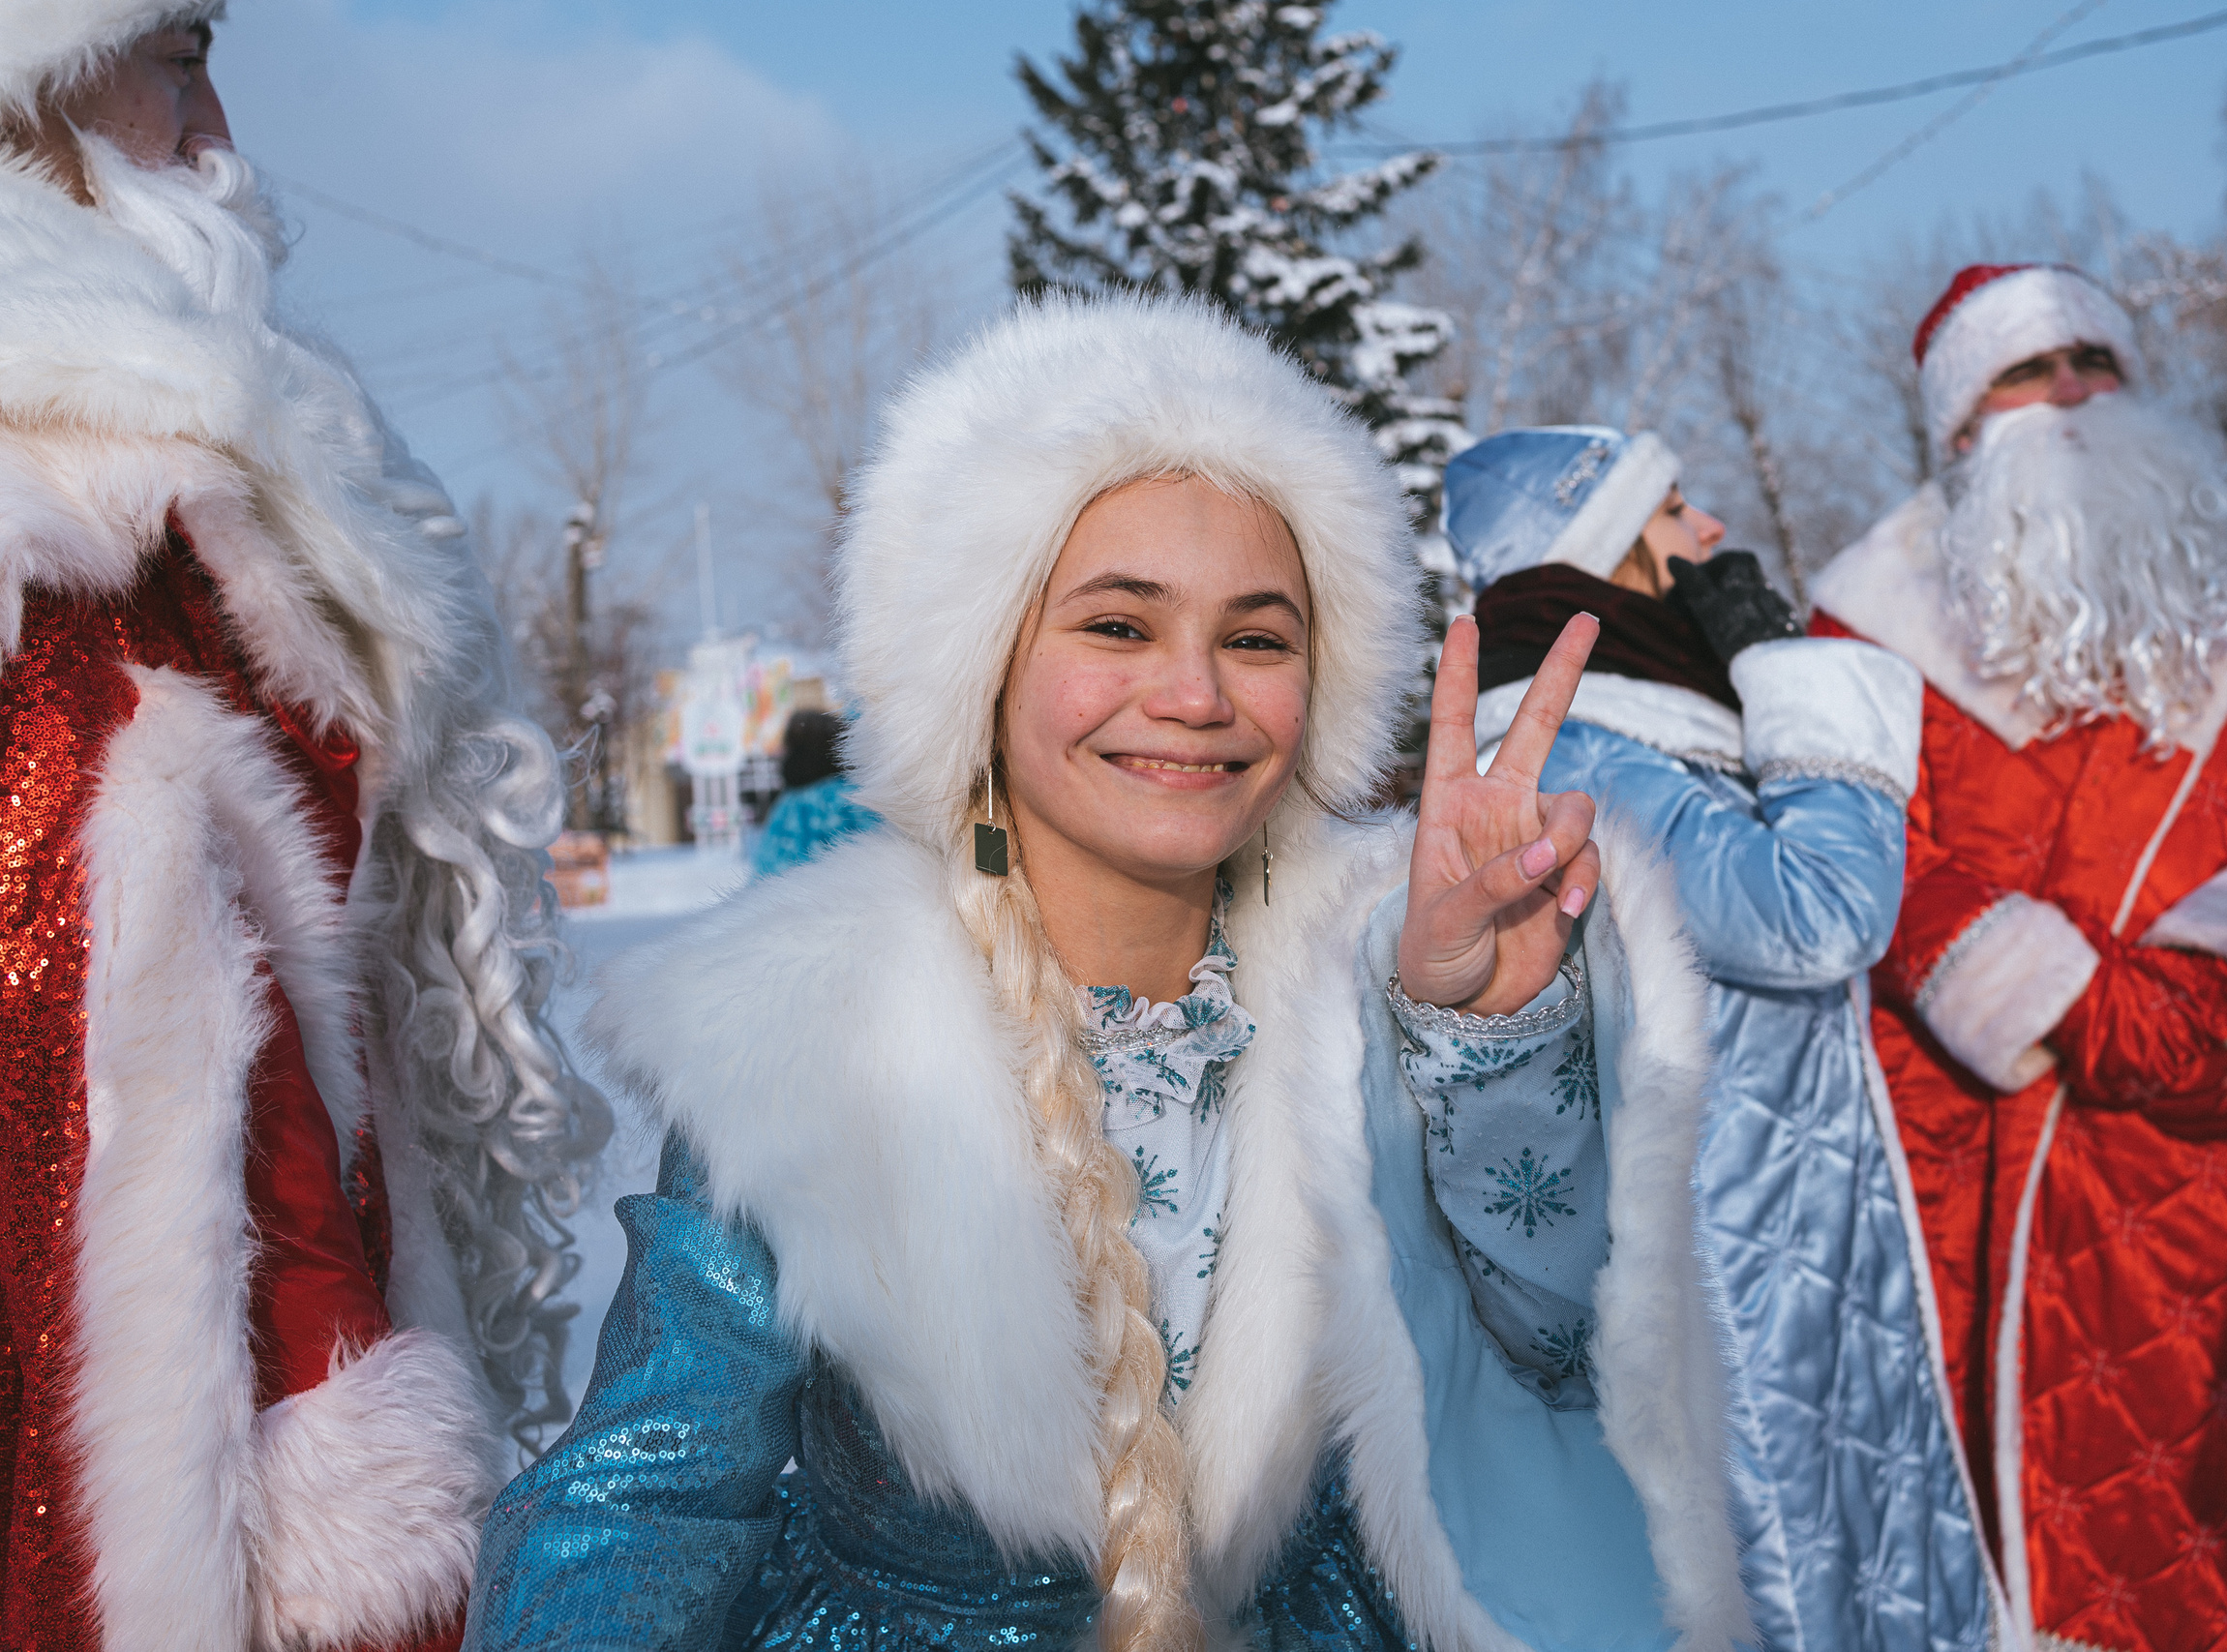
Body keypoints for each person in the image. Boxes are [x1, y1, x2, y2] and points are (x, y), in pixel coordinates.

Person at [467, 294, 1755, 1651]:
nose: (1195, 693)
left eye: (1257, 638)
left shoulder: (1377, 987)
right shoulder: (809, 1029)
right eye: (1120, 626)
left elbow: (1549, 1390)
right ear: (985, 661)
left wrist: (1482, 1041)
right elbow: (645, 1494)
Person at [0, 8, 606, 1647]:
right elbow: (174, 1098)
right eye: (177, 49)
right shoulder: (78, 557)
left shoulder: (203, 496)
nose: (218, 124)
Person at [1808, 263, 2227, 1652]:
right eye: (2025, 370)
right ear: (1962, 419)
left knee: (2196, 1517)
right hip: (1961, 1133)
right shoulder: (1866, 605)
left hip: (2202, 1127)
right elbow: (1848, 824)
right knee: (1952, 1526)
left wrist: (2205, 989)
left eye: (2093, 358)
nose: (2071, 390)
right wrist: (2021, 974)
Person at [1442, 427, 1989, 1652]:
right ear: (1596, 549)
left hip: (1786, 1240)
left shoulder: (1649, 725)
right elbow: (1814, 914)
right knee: (1780, 1580)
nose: (1707, 532)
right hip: (1723, 1274)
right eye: (1674, 508)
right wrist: (1786, 668)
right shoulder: (1582, 744)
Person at [750, 707, 878, 877]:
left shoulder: (788, 804)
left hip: (782, 897)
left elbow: (766, 869)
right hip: (845, 895)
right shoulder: (850, 799)